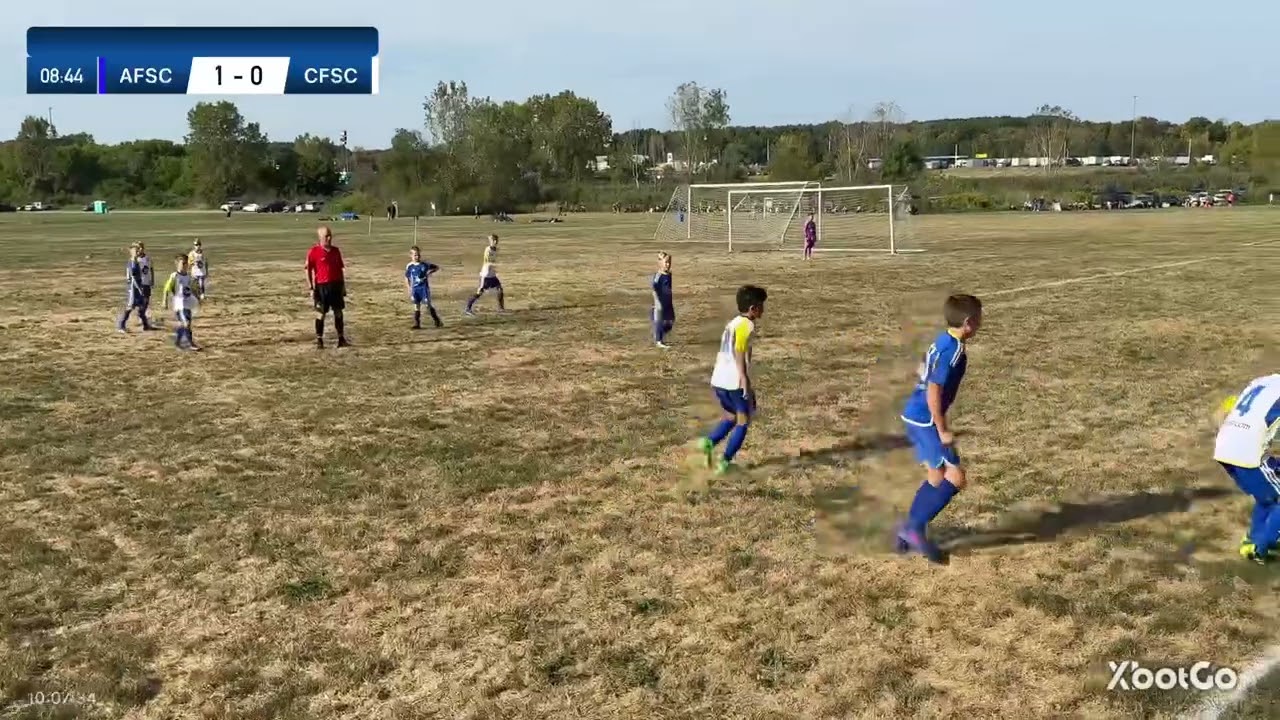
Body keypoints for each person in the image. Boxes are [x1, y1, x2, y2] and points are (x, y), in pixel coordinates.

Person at [897, 293, 984, 564]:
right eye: (980, 317)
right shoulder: (954, 350)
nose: (983, 321)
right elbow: (935, 388)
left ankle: (907, 532)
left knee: (935, 475)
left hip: (912, 414)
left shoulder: (942, 338)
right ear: (969, 322)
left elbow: (923, 367)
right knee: (954, 476)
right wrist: (942, 427)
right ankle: (912, 530)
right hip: (926, 420)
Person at [693, 285, 768, 475]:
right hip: (734, 381)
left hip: (719, 379)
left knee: (730, 416)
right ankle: (724, 462)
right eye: (761, 305)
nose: (763, 309)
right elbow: (739, 351)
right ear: (753, 308)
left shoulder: (734, 322)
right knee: (743, 421)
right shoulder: (747, 325)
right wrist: (744, 380)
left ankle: (709, 442)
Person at [1214, 375, 1280, 563]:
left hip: (1224, 446)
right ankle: (1260, 547)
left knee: (1266, 496)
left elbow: (1224, 409)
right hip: (1248, 451)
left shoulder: (1262, 381)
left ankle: (1251, 542)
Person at [305, 225, 349, 348]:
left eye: (330, 235)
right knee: (321, 314)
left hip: (336, 285)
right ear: (320, 238)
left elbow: (340, 269)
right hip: (322, 286)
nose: (329, 238)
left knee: (338, 312)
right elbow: (307, 270)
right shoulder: (314, 252)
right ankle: (319, 340)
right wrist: (311, 288)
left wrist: (343, 286)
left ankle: (341, 339)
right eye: (326, 236)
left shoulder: (336, 251)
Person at [161, 253, 204, 350]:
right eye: (182, 263)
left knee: (186, 324)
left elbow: (192, 289)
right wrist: (164, 301)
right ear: (177, 264)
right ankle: (190, 343)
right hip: (179, 305)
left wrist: (197, 298)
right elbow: (166, 288)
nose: (185, 265)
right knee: (186, 324)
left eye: (186, 263)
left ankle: (178, 342)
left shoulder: (188, 276)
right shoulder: (174, 276)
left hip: (187, 303)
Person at [117, 242, 156, 332]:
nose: (139, 251)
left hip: (141, 286)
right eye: (137, 249)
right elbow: (132, 277)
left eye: (139, 249)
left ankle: (146, 325)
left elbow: (149, 270)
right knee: (130, 306)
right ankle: (121, 325)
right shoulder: (132, 262)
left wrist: (150, 282)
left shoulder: (143, 260)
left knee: (142, 306)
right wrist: (138, 288)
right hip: (134, 288)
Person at [464, 234, 504, 316]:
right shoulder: (488, 250)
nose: (496, 242)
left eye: (496, 241)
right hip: (486, 274)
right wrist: (497, 265)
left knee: (500, 289)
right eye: (494, 240)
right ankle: (468, 308)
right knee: (479, 292)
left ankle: (501, 309)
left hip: (492, 274)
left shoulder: (496, 250)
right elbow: (487, 262)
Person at [404, 246, 442, 329]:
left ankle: (437, 320)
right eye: (415, 255)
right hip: (415, 289)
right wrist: (409, 288)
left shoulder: (425, 264)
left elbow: (436, 267)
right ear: (411, 255)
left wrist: (429, 272)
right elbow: (407, 277)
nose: (417, 257)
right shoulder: (409, 266)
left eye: (418, 255)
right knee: (416, 305)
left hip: (424, 289)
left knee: (428, 305)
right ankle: (417, 324)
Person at [651, 252, 674, 348]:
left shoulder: (669, 274)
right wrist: (657, 302)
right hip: (660, 304)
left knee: (671, 321)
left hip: (668, 303)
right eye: (666, 262)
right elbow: (654, 290)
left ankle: (659, 332)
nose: (668, 264)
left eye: (669, 262)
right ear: (660, 263)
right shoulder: (658, 276)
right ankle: (659, 341)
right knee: (660, 321)